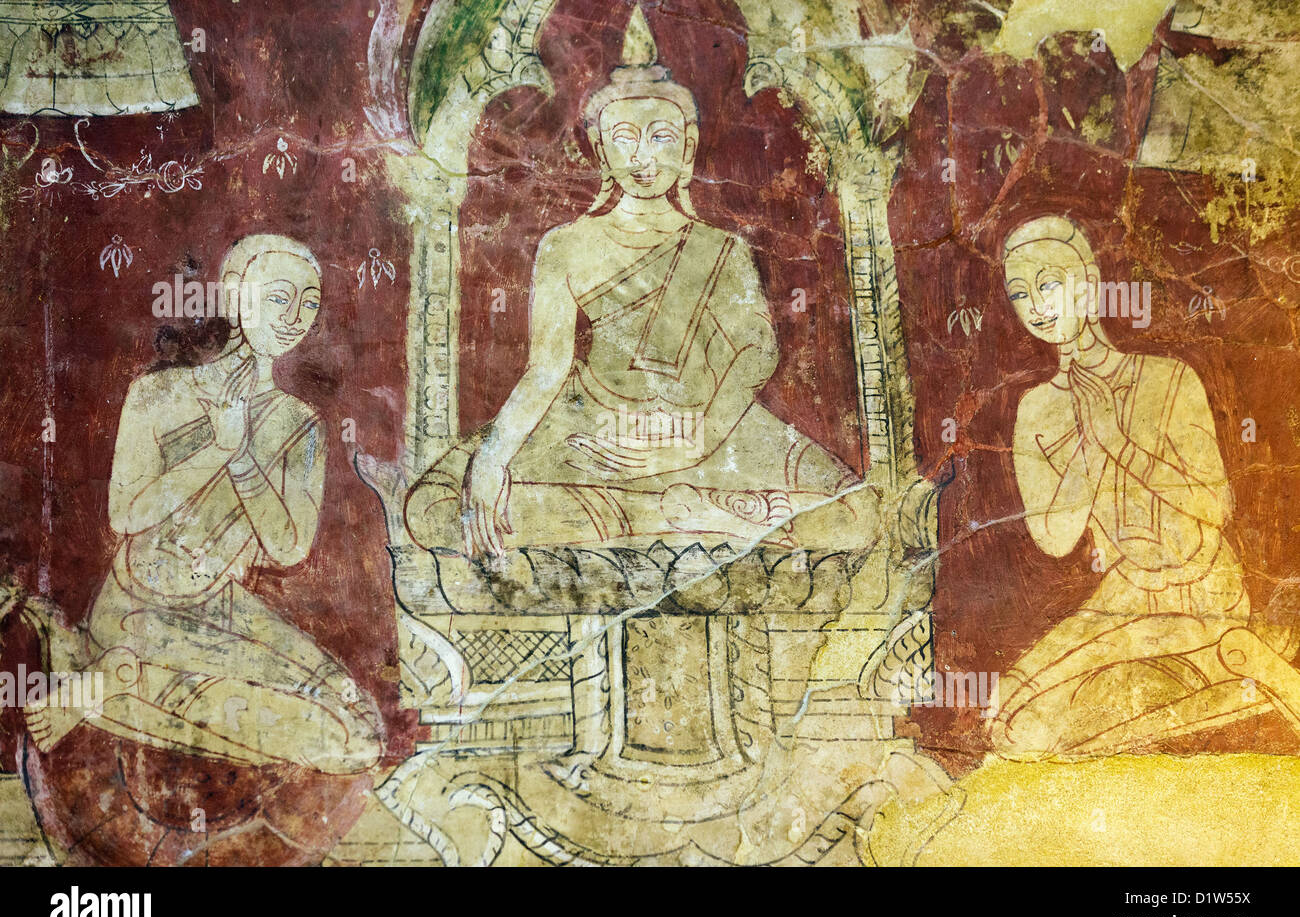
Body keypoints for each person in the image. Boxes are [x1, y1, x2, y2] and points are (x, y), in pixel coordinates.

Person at [405, 7, 881, 558]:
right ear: (600, 148)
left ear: (687, 144)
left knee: (858, 514)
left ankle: (660, 514)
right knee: (437, 508)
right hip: (593, 425)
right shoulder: (566, 245)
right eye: (625, 137)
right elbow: (548, 368)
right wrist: (493, 457)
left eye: (660, 136)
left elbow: (755, 353)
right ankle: (693, 518)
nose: (642, 155)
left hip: (706, 425)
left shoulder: (720, 248)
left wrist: (698, 437)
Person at [23, 234, 382, 774]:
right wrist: (217, 447)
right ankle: (120, 674)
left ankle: (125, 682)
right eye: (280, 297)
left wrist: (240, 459)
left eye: (309, 304)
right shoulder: (158, 394)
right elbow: (125, 516)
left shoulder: (299, 422)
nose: (295, 317)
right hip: (136, 610)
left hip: (218, 611)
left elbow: (287, 548)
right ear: (237, 296)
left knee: (361, 733)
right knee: (336, 738)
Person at [988, 214, 1300, 759]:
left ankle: (1226, 654)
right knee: (1009, 720)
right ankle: (1226, 672)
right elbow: (1055, 539)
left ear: (1085, 283)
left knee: (1033, 727)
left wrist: (1119, 441)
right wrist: (1089, 446)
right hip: (1125, 595)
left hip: (1205, 587)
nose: (1036, 305)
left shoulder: (1166, 377)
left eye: (1049, 284)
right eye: (1020, 293)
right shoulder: (1037, 409)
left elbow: (1214, 503)